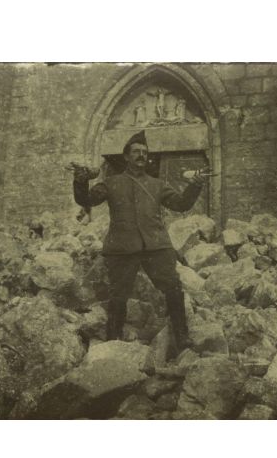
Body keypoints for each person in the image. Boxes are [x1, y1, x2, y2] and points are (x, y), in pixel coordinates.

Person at [72, 130, 207, 357]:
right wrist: (80, 179)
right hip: (122, 248)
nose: (141, 156)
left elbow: (181, 204)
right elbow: (86, 200)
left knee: (173, 288)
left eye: (144, 152)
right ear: (126, 156)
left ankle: (182, 337)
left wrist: (194, 185)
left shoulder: (157, 185)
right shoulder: (111, 182)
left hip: (157, 247)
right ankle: (112, 341)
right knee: (118, 295)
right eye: (136, 152)